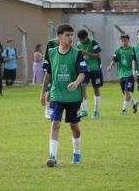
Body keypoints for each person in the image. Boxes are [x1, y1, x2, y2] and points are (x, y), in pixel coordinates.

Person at [40, 24, 87, 167]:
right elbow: (48, 73)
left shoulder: (77, 53)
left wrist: (76, 82)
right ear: (59, 36)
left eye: (72, 35)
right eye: (68, 35)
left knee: (74, 126)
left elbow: (83, 72)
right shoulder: (52, 52)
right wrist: (43, 92)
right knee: (55, 124)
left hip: (73, 97)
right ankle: (52, 157)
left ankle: (76, 152)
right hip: (57, 95)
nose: (71, 38)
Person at [107, 35, 138, 115]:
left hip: (130, 74)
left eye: (125, 41)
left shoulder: (132, 50)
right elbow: (114, 60)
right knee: (125, 93)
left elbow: (135, 60)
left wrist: (134, 70)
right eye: (122, 41)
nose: (124, 42)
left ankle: (124, 110)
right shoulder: (118, 50)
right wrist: (110, 66)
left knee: (127, 92)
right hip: (121, 74)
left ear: (128, 41)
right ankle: (134, 102)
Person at [76, 29, 103, 119]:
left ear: (87, 37)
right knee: (82, 86)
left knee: (96, 89)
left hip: (95, 69)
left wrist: (86, 53)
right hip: (85, 69)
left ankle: (96, 111)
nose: (81, 41)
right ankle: (84, 110)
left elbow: (98, 55)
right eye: (80, 40)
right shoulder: (78, 44)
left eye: (83, 39)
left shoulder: (93, 43)